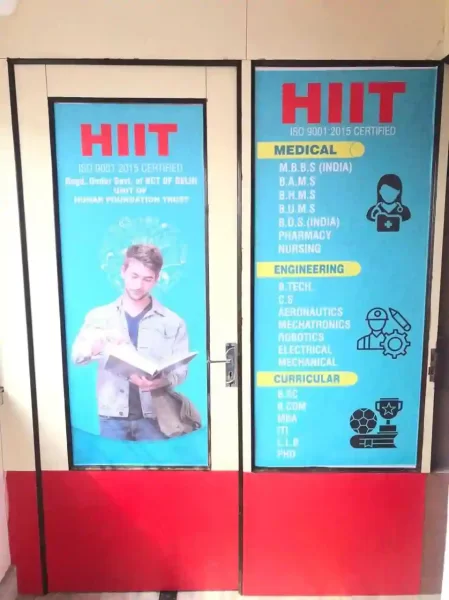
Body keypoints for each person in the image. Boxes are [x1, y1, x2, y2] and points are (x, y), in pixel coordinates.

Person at [72, 243, 201, 441]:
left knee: (157, 463)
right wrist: (96, 345)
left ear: (156, 279)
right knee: (113, 462)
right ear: (123, 271)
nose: (138, 285)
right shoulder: (99, 316)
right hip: (111, 416)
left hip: (156, 416)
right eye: (134, 276)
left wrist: (163, 381)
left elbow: (181, 371)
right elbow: (77, 357)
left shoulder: (173, 322)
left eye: (147, 279)